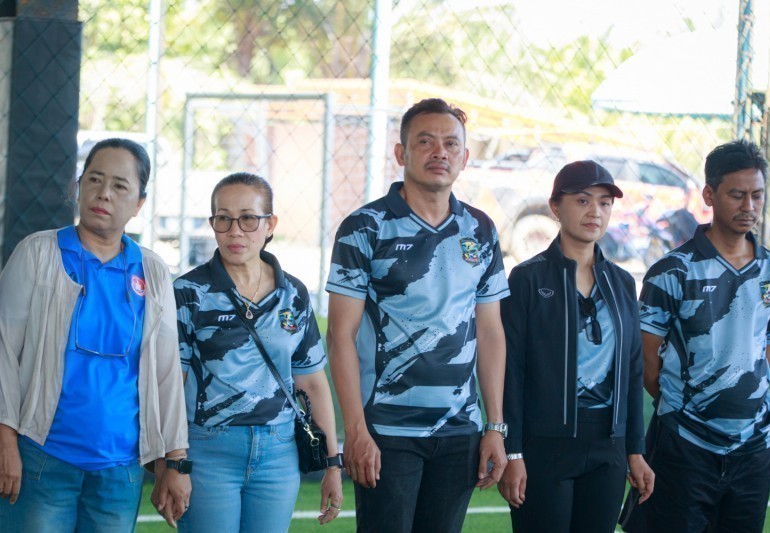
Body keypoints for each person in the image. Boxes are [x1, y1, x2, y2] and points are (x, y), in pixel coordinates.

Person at [325, 98, 510, 533]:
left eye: (450, 143)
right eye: (425, 142)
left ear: (464, 157)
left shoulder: (480, 229)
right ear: (401, 153)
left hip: (460, 429)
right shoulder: (365, 227)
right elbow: (340, 337)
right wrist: (356, 430)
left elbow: (490, 332)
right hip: (387, 429)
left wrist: (494, 426)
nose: (439, 152)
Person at [0, 138, 190, 531]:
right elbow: (2, 352)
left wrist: (174, 461)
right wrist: (5, 443)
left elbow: (167, 373)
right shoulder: (37, 253)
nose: (104, 193)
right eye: (94, 179)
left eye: (120, 186)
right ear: (78, 185)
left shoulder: (152, 271)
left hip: (120, 471)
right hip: (40, 458)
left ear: (139, 203)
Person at [637, 139, 770, 532]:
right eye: (737, 195)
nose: (749, 206)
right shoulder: (672, 271)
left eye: (757, 195)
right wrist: (688, 409)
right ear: (709, 195)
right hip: (685, 446)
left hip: (753, 447)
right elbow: (647, 362)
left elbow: (766, 350)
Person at [174, 172, 342, 533]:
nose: (235, 231)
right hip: (208, 449)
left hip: (278, 452)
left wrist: (332, 463)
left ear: (270, 225)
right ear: (213, 224)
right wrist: (172, 464)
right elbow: (172, 385)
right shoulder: (188, 292)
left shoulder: (293, 294)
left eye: (248, 218)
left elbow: (313, 383)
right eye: (223, 218)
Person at [498, 160, 655, 532]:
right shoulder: (527, 278)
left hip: (607, 446)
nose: (595, 212)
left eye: (604, 203)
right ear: (555, 206)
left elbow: (633, 371)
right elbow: (511, 372)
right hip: (544, 445)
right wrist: (513, 450)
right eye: (583, 201)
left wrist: (635, 450)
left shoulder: (621, 282)